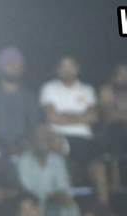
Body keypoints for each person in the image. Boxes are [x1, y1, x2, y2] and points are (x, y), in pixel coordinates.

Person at [40, 57, 108, 205]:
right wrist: (80, 116)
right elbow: (52, 117)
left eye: (71, 66)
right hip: (59, 138)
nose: (67, 70)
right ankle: (67, 208)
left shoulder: (87, 89)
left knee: (99, 168)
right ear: (57, 70)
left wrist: (64, 115)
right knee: (64, 167)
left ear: (77, 69)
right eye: (63, 66)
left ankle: (104, 207)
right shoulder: (49, 88)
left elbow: (93, 116)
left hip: (84, 138)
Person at [16, 124, 79, 216]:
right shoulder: (24, 161)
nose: (43, 142)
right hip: (35, 203)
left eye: (46, 138)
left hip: (55, 201)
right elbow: (27, 189)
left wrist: (59, 196)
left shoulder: (57, 160)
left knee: (71, 206)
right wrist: (49, 196)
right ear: (32, 140)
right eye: (39, 138)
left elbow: (62, 187)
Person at [0, 47, 41, 157]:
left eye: (18, 65)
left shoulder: (29, 97)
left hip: (24, 151)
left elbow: (34, 126)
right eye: (10, 64)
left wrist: (23, 144)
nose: (15, 67)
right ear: (1, 67)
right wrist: (3, 146)